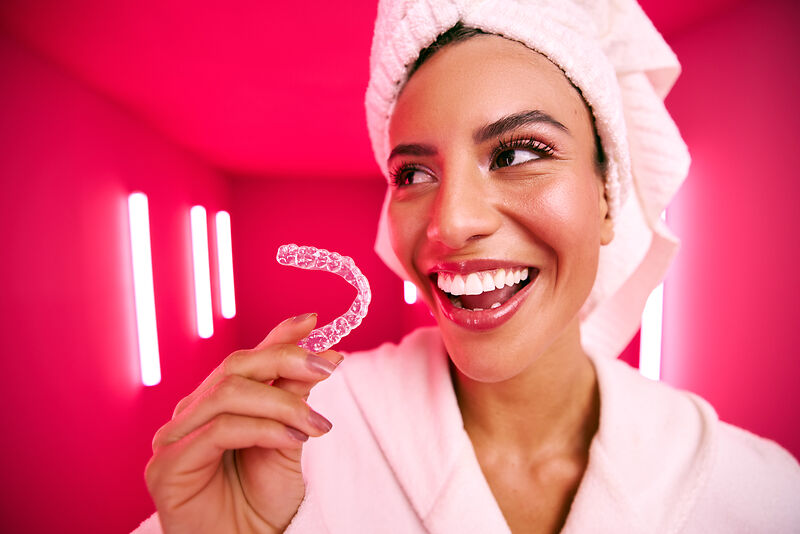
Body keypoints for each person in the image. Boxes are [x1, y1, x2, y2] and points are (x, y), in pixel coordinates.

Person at [135, 1, 800, 532]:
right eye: (414, 172)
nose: (449, 223)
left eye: (517, 153)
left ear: (608, 197)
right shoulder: (288, 443)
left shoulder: (761, 495)